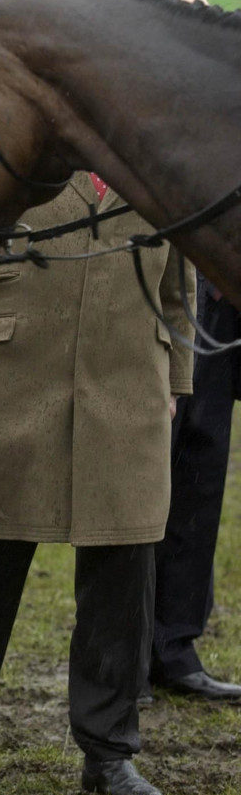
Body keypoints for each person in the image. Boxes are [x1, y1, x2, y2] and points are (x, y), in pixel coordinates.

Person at [0, 0, 196, 795]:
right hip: (11, 378)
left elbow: (178, 284)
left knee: (122, 579)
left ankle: (109, 751)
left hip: (128, 387)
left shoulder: (150, 137)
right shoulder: (0, 128)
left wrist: (173, 377)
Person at [150, 273, 241, 699]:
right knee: (145, 482)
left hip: (222, 302)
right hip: (161, 286)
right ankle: (122, 658)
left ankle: (174, 648)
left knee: (200, 472)